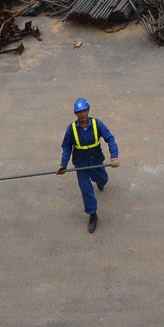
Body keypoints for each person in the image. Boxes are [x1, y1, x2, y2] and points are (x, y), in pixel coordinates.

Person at [57, 98, 120, 233]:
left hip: (96, 162)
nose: (83, 114)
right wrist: (63, 165)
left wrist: (114, 156)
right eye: (79, 112)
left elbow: (110, 139)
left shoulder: (97, 124)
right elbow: (66, 147)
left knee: (103, 179)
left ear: (88, 110)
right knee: (86, 190)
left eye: (85, 110)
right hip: (81, 165)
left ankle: (99, 181)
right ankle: (93, 215)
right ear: (75, 114)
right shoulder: (71, 129)